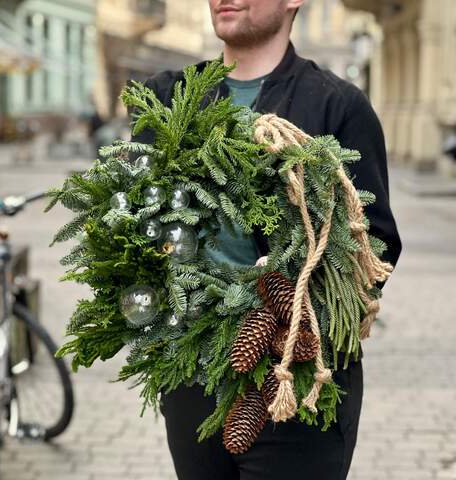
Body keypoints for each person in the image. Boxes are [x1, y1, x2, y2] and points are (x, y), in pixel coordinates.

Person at [128, 1, 403, 479]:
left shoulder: (336, 105)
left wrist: (288, 326)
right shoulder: (170, 97)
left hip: (292, 383)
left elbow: (373, 247)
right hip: (192, 378)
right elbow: (135, 219)